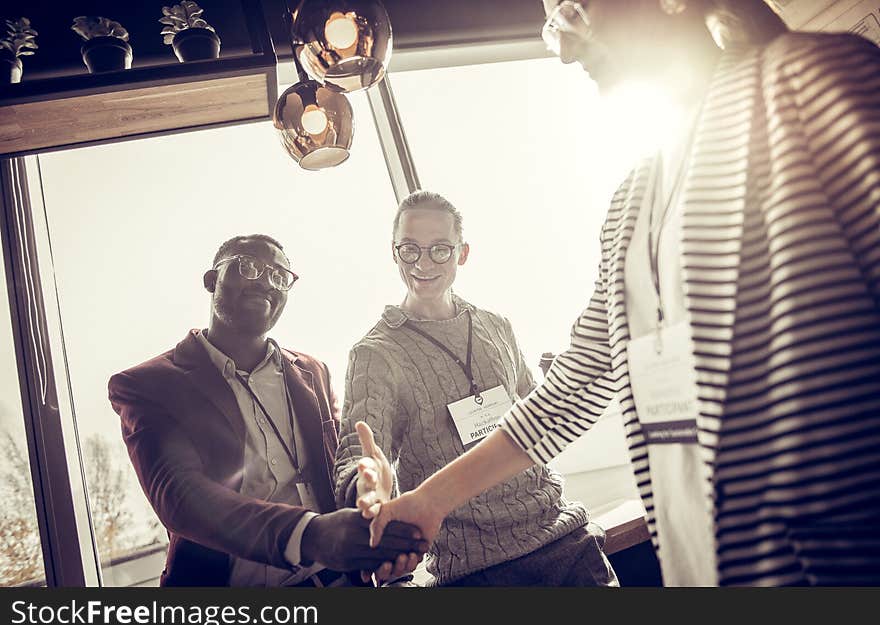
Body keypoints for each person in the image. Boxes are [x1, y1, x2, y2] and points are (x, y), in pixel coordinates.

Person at [362, 1, 880, 586]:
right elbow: (578, 383)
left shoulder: (815, 86)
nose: (562, 46)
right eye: (554, 22)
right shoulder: (630, 204)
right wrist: (430, 500)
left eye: (574, 9)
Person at [108, 234, 426, 586]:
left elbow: (334, 470)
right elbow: (180, 496)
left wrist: (366, 495)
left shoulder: (313, 370)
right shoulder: (149, 384)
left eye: (279, 275)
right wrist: (310, 535)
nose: (264, 281)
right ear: (211, 280)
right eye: (248, 266)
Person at [335, 191, 617, 586]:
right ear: (394, 252)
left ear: (462, 253)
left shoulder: (496, 326)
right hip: (474, 573)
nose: (424, 264)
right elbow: (357, 451)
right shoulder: (375, 354)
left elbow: (539, 420)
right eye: (410, 250)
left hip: (566, 544)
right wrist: (367, 486)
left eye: (440, 250)